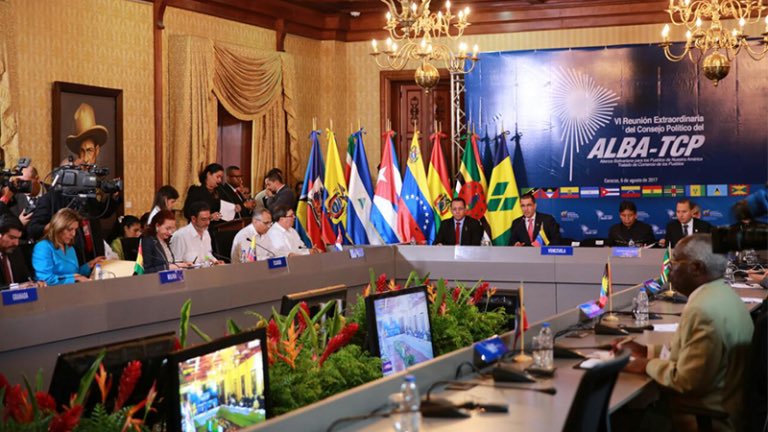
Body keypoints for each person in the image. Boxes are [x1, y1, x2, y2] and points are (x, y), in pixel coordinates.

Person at [617, 234, 753, 431]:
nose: (668, 269)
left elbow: (685, 381)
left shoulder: (703, 310)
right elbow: (693, 353)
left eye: (674, 262)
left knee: (617, 419)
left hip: (705, 419)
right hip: (727, 406)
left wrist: (645, 365)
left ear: (696, 268)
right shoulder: (723, 294)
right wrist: (646, 351)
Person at [31, 208, 105, 285]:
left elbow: (75, 274)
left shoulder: (70, 248)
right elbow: (45, 279)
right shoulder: (43, 247)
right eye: (70, 229)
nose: (73, 234)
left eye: (75, 229)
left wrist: (89, 265)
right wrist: (74, 279)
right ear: (58, 227)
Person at [0, 215, 42, 287]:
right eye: (12, 238)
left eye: (18, 238)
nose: (16, 243)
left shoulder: (16, 252)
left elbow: (26, 279)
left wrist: (34, 284)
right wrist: (16, 287)